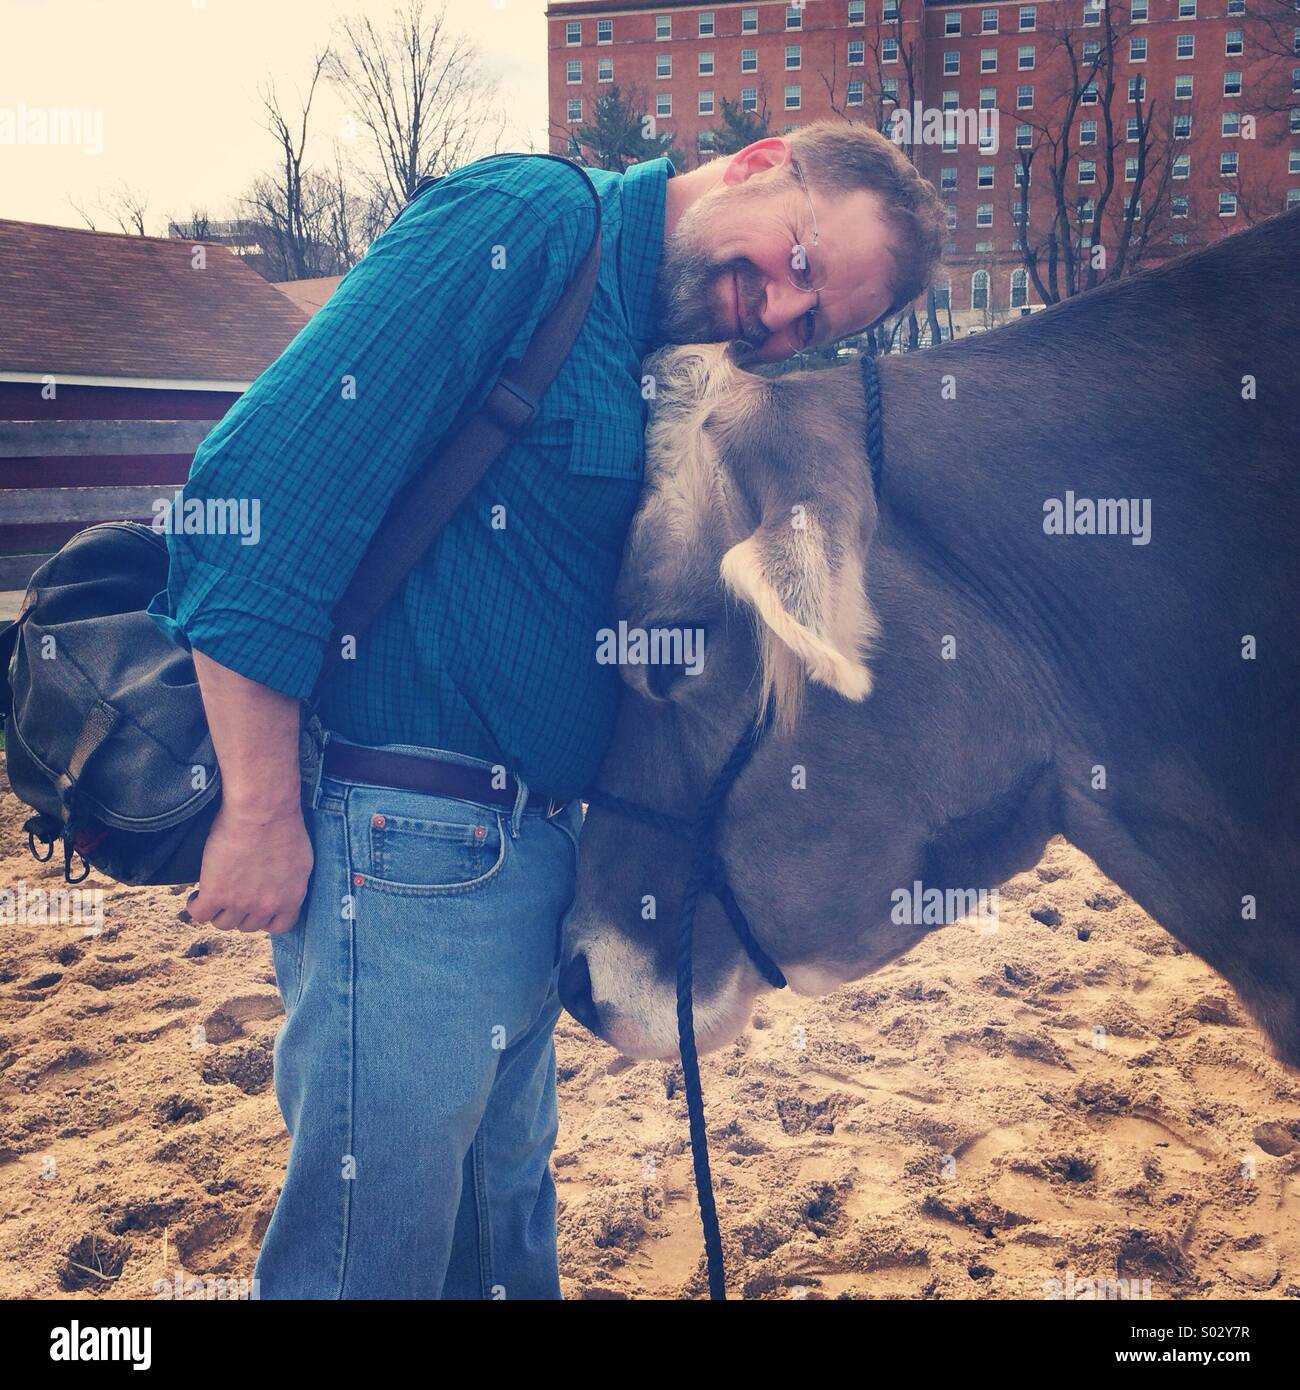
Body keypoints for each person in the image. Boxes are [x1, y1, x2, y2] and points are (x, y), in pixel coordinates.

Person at [147, 120, 945, 1300]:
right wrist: (261, 809)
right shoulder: (526, 221)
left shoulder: (648, 350)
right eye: (802, 266)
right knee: (372, 1265)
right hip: (398, 846)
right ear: (763, 159)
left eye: (811, 324)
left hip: (531, 862)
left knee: (501, 1247)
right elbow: (256, 484)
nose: (778, 317)